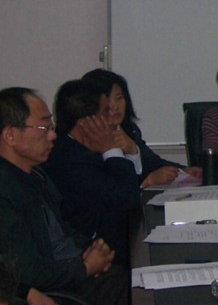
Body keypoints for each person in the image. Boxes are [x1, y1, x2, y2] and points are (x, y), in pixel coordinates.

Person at [0, 87, 128, 305]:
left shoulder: (36, 175)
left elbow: (63, 232)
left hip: (71, 272)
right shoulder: (5, 190)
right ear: (10, 135)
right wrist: (85, 268)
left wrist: (94, 249)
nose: (52, 135)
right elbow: (25, 273)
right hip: (55, 289)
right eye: (44, 127)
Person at [43, 80, 142, 266]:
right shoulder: (69, 160)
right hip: (92, 259)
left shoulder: (84, 149)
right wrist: (111, 149)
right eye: (105, 111)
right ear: (85, 124)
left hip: (116, 247)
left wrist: (126, 152)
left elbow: (130, 188)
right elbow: (128, 198)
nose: (112, 115)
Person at [82, 68, 202, 188]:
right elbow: (107, 189)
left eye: (119, 98)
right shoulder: (87, 140)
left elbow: (152, 162)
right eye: (107, 100)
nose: (115, 106)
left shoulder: (129, 129)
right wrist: (148, 181)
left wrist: (183, 170)